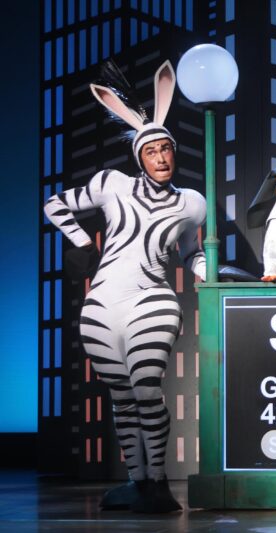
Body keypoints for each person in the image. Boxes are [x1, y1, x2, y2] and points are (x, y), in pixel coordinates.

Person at [43, 60, 205, 513]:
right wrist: (82, 244)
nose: (161, 158)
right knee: (121, 396)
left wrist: (208, 270)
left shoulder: (191, 203)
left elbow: (190, 253)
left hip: (151, 298)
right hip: (102, 304)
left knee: (146, 387)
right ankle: (140, 481)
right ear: (140, 157)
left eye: (166, 149)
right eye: (152, 151)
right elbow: (55, 204)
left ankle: (158, 482)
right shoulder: (112, 184)